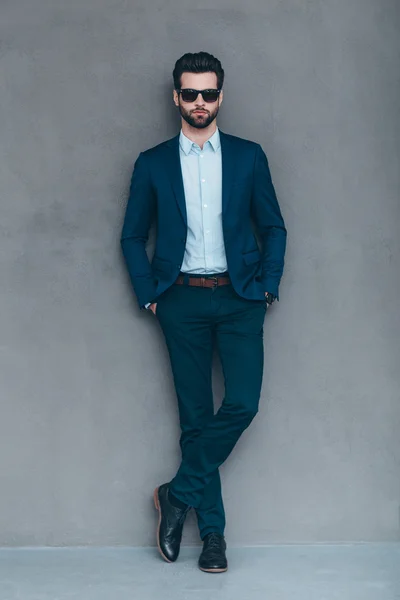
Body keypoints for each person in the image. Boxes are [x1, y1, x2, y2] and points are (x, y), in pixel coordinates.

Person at [120, 51, 287, 573]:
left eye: (208, 93)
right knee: (195, 420)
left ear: (221, 96)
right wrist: (150, 291)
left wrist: (267, 286)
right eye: (189, 93)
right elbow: (131, 235)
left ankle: (175, 493)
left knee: (241, 403)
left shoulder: (247, 156)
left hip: (239, 298)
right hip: (181, 300)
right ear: (176, 97)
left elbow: (274, 227)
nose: (199, 102)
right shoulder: (152, 163)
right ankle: (212, 537)